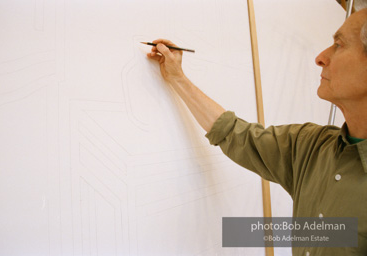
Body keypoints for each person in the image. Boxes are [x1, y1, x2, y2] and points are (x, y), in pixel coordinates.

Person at [146, 8, 367, 256]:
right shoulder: (311, 146)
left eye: (338, 44)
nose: (320, 57)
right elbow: (236, 134)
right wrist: (178, 78)